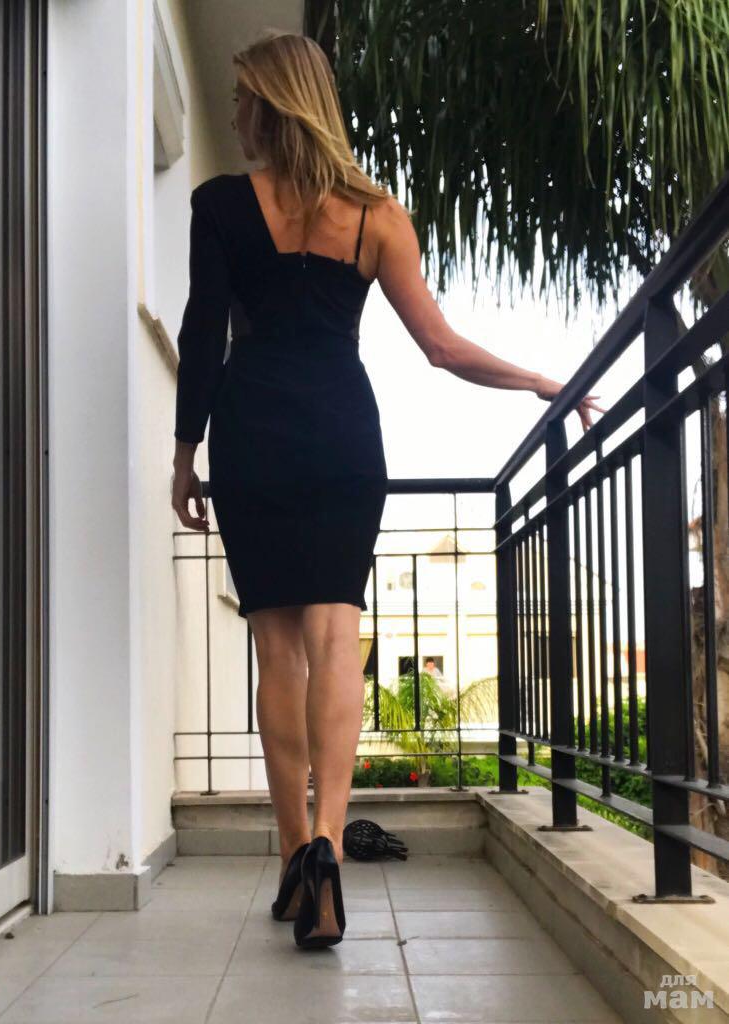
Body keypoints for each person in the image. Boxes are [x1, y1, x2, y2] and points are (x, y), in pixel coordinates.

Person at [170, 31, 603, 949]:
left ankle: (296, 858)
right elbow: (440, 347)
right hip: (341, 433)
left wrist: (183, 454)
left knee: (276, 649)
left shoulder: (219, 204)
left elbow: (204, 332)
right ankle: (329, 845)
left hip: (253, 431)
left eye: (244, 98)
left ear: (274, 105)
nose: (236, 113)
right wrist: (538, 380)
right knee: (338, 638)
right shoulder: (376, 217)